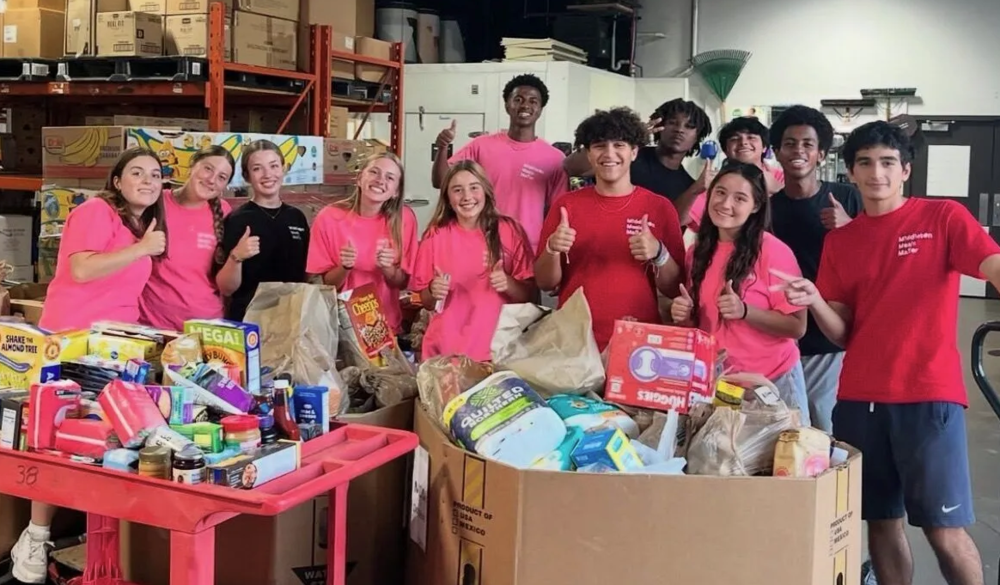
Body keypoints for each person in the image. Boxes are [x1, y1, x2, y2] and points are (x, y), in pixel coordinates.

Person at [773, 121, 994, 585]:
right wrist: (814, 300)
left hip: (928, 398)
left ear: (905, 170)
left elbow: (991, 263)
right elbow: (842, 333)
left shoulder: (942, 218)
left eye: (887, 162)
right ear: (850, 173)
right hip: (858, 402)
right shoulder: (841, 241)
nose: (877, 173)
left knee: (944, 530)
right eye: (865, 163)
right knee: (881, 522)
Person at [12, 147, 167, 585]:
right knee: (55, 440)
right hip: (71, 344)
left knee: (104, 442)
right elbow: (81, 271)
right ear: (117, 181)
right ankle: (35, 537)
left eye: (155, 175)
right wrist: (142, 249)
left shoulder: (143, 225)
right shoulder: (96, 211)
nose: (147, 180)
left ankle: (93, 542)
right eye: (136, 172)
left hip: (112, 349)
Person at [536, 107, 686, 350]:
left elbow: (675, 287)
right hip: (574, 339)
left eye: (619, 145)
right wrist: (553, 249)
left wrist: (659, 254)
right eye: (599, 145)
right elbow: (544, 282)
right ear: (588, 154)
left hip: (638, 339)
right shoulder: (567, 206)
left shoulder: (659, 207)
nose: (609, 153)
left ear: (634, 152)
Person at [668, 162, 809, 420]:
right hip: (722, 385)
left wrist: (745, 311)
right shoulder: (697, 253)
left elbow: (797, 326)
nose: (725, 203)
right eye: (720, 192)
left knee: (787, 458)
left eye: (740, 198)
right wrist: (684, 316)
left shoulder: (773, 251)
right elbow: (701, 326)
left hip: (773, 382)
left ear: (755, 206)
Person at [768, 105, 862, 433]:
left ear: (821, 154)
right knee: (784, 431)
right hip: (779, 337)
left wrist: (850, 228)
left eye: (808, 144)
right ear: (777, 152)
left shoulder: (847, 198)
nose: (798, 151)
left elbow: (877, 254)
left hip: (828, 339)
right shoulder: (765, 207)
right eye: (789, 143)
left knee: (826, 428)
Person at [412, 161, 536, 360]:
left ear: (486, 191)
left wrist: (508, 283)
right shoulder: (435, 235)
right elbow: (426, 301)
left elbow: (532, 297)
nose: (467, 197)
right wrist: (433, 290)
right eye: (457, 190)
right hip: (445, 353)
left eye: (474, 188)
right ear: (448, 198)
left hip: (498, 352)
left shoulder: (509, 230)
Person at [431, 73, 567, 252]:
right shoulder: (481, 145)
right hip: (482, 243)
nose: (525, 105)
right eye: (518, 99)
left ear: (540, 109)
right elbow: (440, 182)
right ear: (507, 105)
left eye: (533, 101)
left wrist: (549, 252)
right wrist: (442, 148)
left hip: (529, 249)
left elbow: (556, 212)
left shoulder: (555, 159)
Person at [307, 152, 417, 334]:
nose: (380, 180)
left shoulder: (404, 219)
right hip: (337, 328)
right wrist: (344, 267)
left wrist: (387, 268)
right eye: (374, 172)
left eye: (390, 177)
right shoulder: (329, 217)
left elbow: (403, 282)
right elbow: (320, 285)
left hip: (383, 327)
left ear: (396, 191)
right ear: (359, 179)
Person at [563, 98, 713, 225]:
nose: (679, 130)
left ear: (697, 137)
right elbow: (571, 167)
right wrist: (629, 136)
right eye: (673, 123)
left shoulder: (690, 186)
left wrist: (696, 189)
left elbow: (672, 224)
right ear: (658, 125)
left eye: (689, 126)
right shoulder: (629, 155)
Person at [140, 145, 234, 330]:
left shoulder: (225, 213)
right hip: (152, 326)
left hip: (206, 327)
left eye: (221, 177)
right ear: (192, 165)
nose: (212, 180)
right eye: (208, 168)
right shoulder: (155, 202)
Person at [216, 140, 310, 321]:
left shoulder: (296, 217)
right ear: (246, 176)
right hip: (249, 320)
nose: (268, 174)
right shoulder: (237, 220)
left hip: (292, 318)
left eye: (274, 166)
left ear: (284, 168)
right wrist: (236, 256)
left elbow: (306, 273)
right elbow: (225, 288)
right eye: (257, 168)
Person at [686, 116, 786, 231]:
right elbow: (686, 221)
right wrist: (696, 189)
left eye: (751, 138)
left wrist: (778, 189)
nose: (743, 143)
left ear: (764, 147)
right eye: (735, 139)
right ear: (725, 150)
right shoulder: (714, 182)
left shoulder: (781, 178)